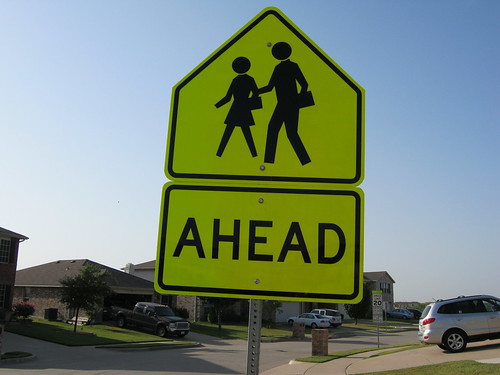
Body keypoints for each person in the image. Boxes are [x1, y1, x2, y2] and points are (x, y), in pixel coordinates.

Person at [259, 42, 312, 165]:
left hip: (288, 104)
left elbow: (304, 84)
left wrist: (297, 100)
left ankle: (304, 161)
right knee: (282, 131)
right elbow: (270, 87)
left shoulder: (291, 66)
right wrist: (257, 91)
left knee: (285, 131)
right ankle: (270, 162)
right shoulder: (280, 68)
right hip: (284, 104)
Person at [215, 56, 260, 158]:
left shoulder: (235, 80)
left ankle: (219, 154)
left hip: (235, 108)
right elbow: (256, 93)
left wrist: (217, 105)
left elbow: (228, 97)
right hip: (244, 108)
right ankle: (254, 155)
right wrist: (249, 102)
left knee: (228, 132)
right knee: (246, 132)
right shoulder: (250, 79)